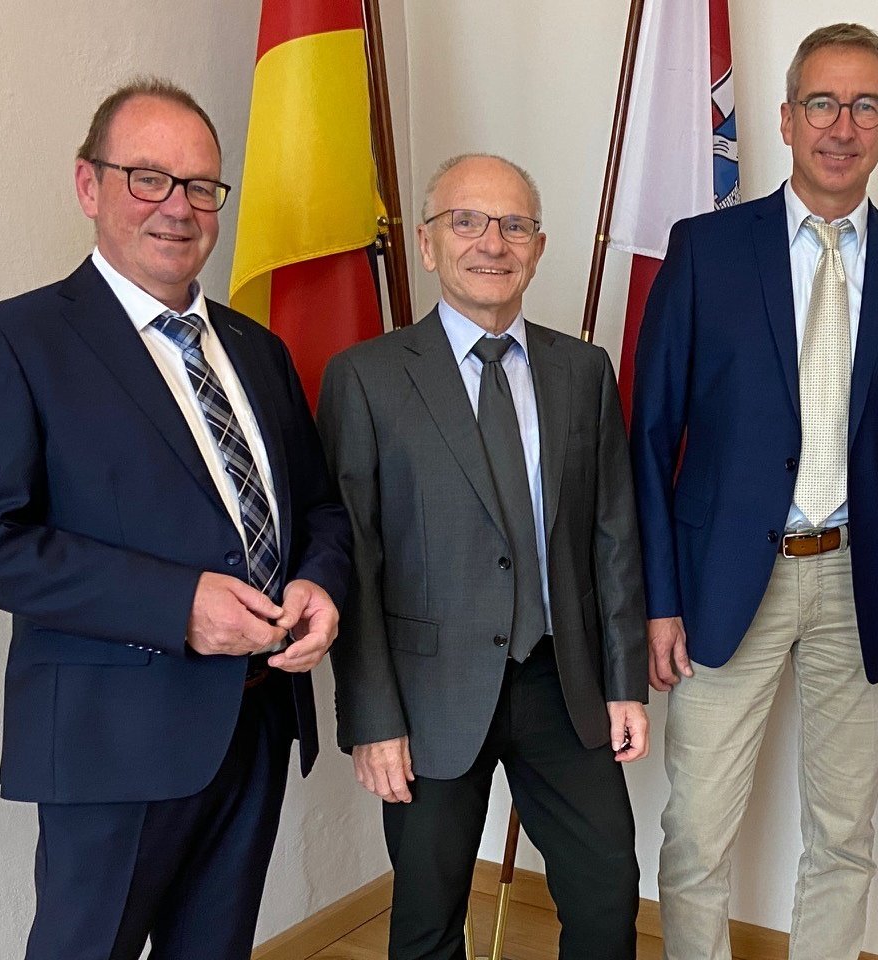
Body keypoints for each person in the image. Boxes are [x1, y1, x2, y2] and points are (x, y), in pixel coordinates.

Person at [0, 78, 351, 960]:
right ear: (89, 187)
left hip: (255, 725)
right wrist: (177, 605)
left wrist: (319, 580)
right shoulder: (14, 342)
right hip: (110, 741)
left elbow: (316, 505)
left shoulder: (257, 349)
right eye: (148, 178)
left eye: (201, 185)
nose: (179, 207)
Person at [630, 23, 878, 960]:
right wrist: (659, 600)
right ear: (784, 118)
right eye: (822, 102)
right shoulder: (704, 251)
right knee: (696, 834)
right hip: (721, 582)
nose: (841, 125)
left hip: (859, 584)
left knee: (844, 838)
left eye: (865, 106)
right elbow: (649, 440)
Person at [317, 154, 648, 960]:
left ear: (538, 247)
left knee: (608, 900)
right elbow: (351, 558)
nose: (490, 242)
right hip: (429, 700)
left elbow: (612, 538)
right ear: (428, 245)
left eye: (514, 225)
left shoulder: (582, 370)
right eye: (466, 221)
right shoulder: (365, 378)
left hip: (561, 687)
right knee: (427, 920)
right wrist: (373, 717)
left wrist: (624, 683)